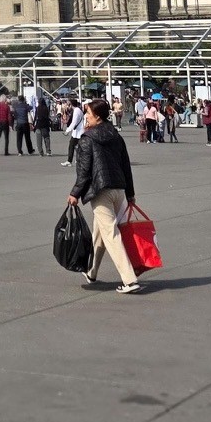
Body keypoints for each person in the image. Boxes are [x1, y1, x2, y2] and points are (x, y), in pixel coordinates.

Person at [67, 98, 141, 293]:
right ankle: (91, 271)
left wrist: (75, 193)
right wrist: (130, 193)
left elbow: (84, 171)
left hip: (100, 191)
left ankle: (129, 279)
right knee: (100, 233)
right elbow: (126, 165)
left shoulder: (87, 139)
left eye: (88, 114)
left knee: (110, 234)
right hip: (118, 189)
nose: (86, 117)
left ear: (97, 116)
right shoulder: (116, 136)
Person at [33, 92, 54, 157]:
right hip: (45, 125)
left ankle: (41, 152)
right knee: (46, 138)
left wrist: (33, 124)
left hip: (38, 125)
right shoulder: (46, 108)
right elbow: (47, 117)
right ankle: (48, 151)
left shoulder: (37, 108)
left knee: (39, 140)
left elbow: (35, 117)